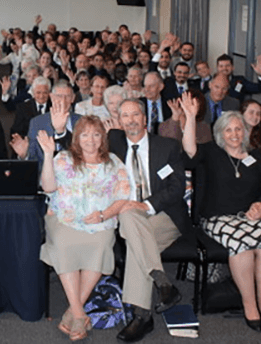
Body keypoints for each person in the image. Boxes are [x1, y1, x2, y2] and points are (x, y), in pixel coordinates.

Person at [179, 93, 261, 333]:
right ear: (220, 134)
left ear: (245, 132)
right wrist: (191, 118)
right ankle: (249, 306)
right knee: (242, 244)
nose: (234, 134)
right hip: (218, 218)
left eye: (238, 129)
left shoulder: (257, 157)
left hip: (253, 216)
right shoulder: (212, 153)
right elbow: (189, 152)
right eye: (228, 130)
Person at [38, 116, 131, 341]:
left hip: (100, 221)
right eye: (85, 134)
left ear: (103, 138)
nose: (91, 140)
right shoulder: (63, 158)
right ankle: (80, 313)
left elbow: (123, 196)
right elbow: (48, 187)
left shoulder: (114, 162)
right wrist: (48, 155)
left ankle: (73, 311)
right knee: (63, 244)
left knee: (100, 246)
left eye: (96, 134)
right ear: (77, 138)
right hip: (64, 219)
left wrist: (104, 215)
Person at [107, 98, 186, 342]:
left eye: (135, 115)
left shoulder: (167, 146)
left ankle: (143, 317)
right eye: (125, 116)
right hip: (128, 216)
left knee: (134, 241)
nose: (130, 120)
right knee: (130, 218)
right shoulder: (111, 142)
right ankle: (162, 284)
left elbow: (177, 187)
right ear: (120, 121)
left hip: (164, 215)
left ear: (145, 118)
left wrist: (146, 205)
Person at [10, 80, 80, 167]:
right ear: (51, 97)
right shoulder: (37, 122)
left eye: (67, 96)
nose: (63, 100)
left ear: (73, 98)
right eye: (59, 96)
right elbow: (33, 158)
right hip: (46, 175)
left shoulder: (82, 121)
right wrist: (25, 155)